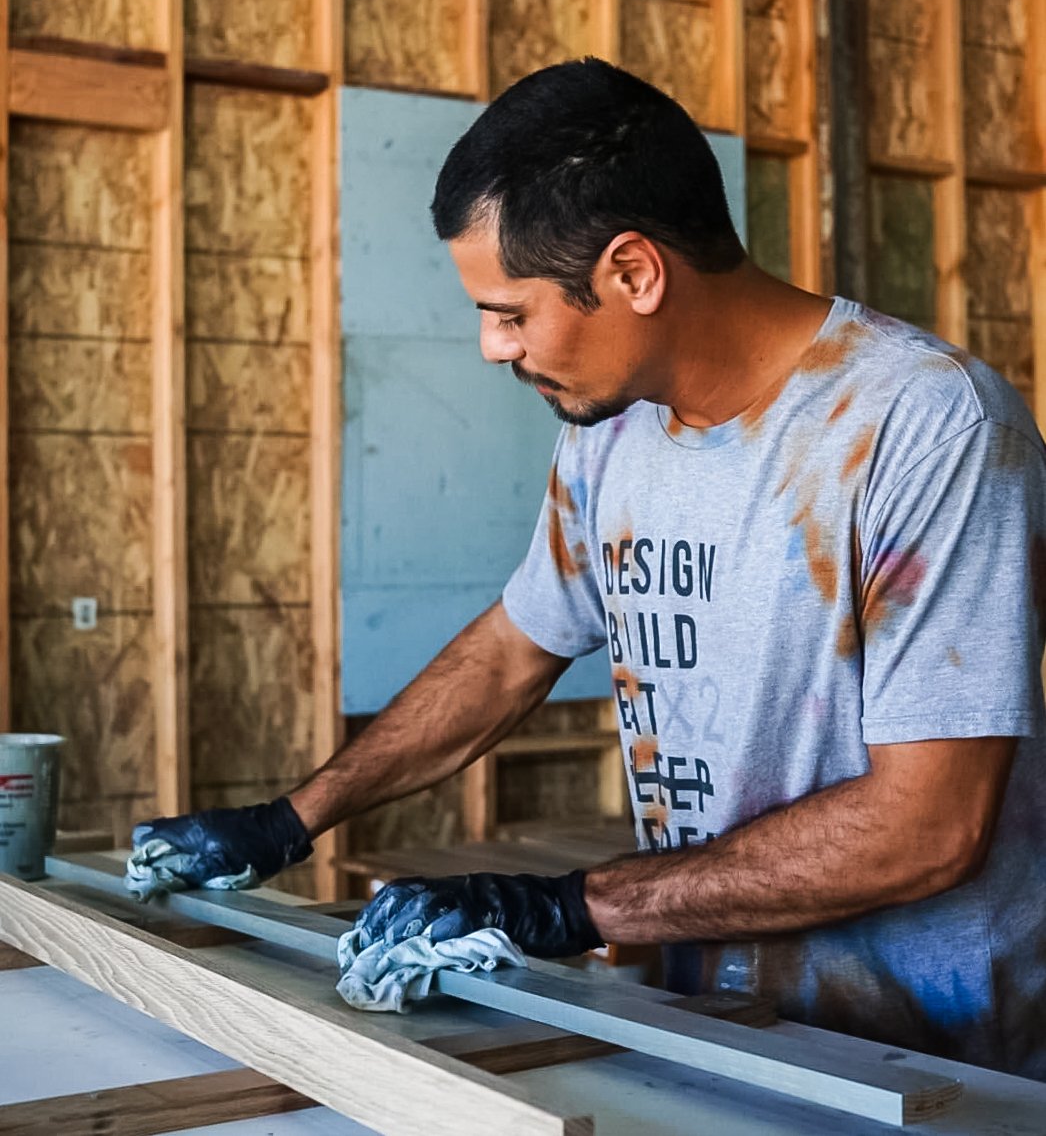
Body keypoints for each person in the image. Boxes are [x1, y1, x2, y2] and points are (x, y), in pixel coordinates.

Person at [131, 59, 1046, 1080]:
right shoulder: (610, 438)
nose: (491, 346)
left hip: (931, 1066)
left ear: (632, 272)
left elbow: (928, 826)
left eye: (510, 312)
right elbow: (512, 651)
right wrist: (286, 821)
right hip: (715, 1032)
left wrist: (569, 907)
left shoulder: (922, 428)